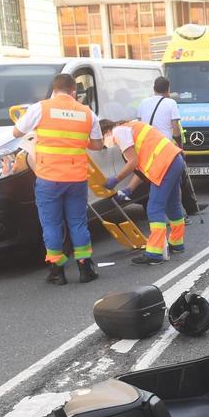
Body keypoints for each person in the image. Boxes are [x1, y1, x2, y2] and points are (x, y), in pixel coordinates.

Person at [13, 73, 103, 285]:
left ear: (54, 90)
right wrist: (79, 142)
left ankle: (57, 271)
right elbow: (98, 145)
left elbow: (16, 132)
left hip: (49, 177)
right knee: (78, 223)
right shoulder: (87, 113)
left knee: (52, 225)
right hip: (77, 178)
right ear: (74, 91)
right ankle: (84, 268)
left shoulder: (40, 108)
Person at [105, 118, 186, 266]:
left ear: (106, 131)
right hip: (175, 160)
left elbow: (133, 162)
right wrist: (129, 189)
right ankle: (177, 243)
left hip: (165, 165)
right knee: (172, 205)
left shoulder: (118, 132)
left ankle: (155, 253)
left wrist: (115, 180)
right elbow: (141, 170)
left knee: (154, 208)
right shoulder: (130, 127)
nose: (106, 144)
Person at [132, 76, 203, 216]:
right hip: (165, 148)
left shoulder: (143, 103)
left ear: (153, 88)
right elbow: (175, 127)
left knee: (153, 178)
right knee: (177, 178)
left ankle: (184, 208)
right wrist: (180, 147)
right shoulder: (171, 103)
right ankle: (182, 212)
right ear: (168, 89)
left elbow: (139, 125)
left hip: (148, 148)